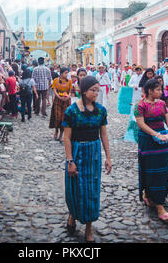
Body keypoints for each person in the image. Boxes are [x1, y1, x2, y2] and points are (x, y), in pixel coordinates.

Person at [63, 76, 112, 242]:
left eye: (97, 90)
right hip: (77, 151)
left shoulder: (101, 111)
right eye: (93, 90)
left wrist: (108, 157)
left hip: (93, 154)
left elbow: (103, 134)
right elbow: (67, 138)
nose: (96, 93)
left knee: (92, 190)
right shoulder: (71, 111)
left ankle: (89, 229)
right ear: (84, 91)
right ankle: (72, 215)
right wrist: (70, 161)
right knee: (74, 188)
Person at [134, 79, 168, 222]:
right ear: (150, 91)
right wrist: (156, 134)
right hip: (147, 140)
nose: (161, 92)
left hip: (162, 141)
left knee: (162, 169)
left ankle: (158, 198)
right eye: (158, 90)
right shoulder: (139, 105)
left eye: (161, 89)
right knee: (149, 169)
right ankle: (158, 206)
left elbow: (167, 118)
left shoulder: (162, 103)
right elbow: (141, 124)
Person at [49, 67, 72, 142]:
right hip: (58, 100)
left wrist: (68, 96)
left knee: (64, 117)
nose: (66, 74)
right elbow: (54, 89)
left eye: (67, 73)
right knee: (57, 116)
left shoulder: (69, 81)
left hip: (66, 101)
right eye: (65, 73)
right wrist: (58, 96)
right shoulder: (56, 80)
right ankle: (56, 130)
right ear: (61, 73)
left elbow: (70, 91)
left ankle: (61, 134)